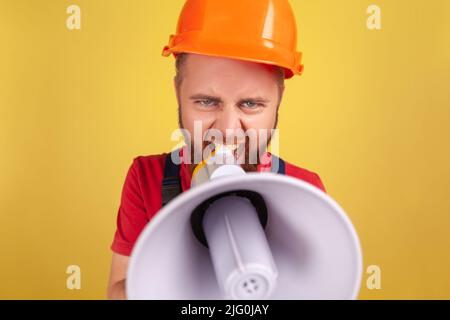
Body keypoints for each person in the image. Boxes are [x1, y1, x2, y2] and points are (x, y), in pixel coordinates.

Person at [107, 0, 326, 299]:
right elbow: (117, 290)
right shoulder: (147, 179)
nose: (227, 130)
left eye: (251, 104)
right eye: (206, 102)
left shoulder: (305, 191)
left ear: (279, 99)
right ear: (178, 93)